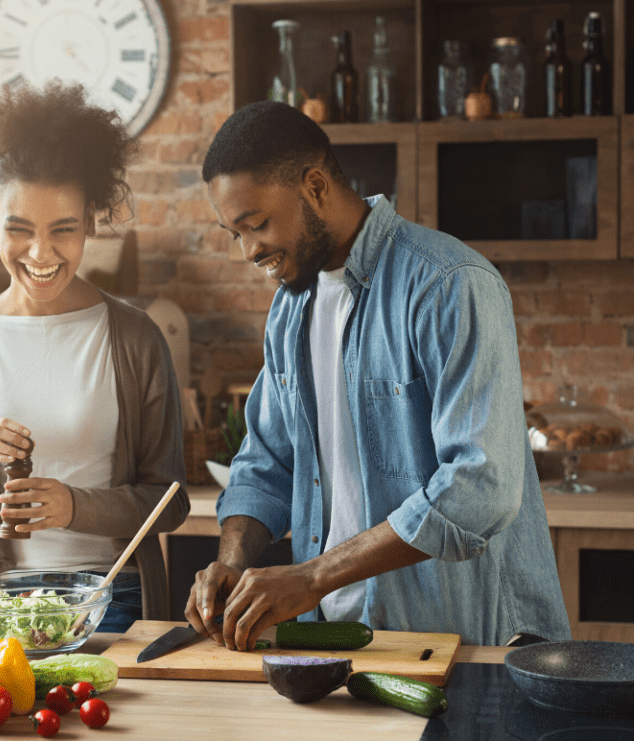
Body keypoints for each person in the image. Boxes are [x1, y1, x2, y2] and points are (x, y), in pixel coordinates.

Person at [185, 100, 571, 649]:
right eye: (234, 233)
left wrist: (313, 576)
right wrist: (231, 561)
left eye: (258, 224)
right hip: (335, 636)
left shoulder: (449, 284)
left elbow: (479, 486)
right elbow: (266, 461)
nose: (249, 251)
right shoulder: (291, 308)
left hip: (461, 638)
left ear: (315, 186)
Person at [0, 82, 189, 633]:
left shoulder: (136, 339)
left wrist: (75, 507)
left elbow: (171, 502)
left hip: (111, 599)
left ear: (91, 220)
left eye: (63, 231)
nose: (41, 255)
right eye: (19, 230)